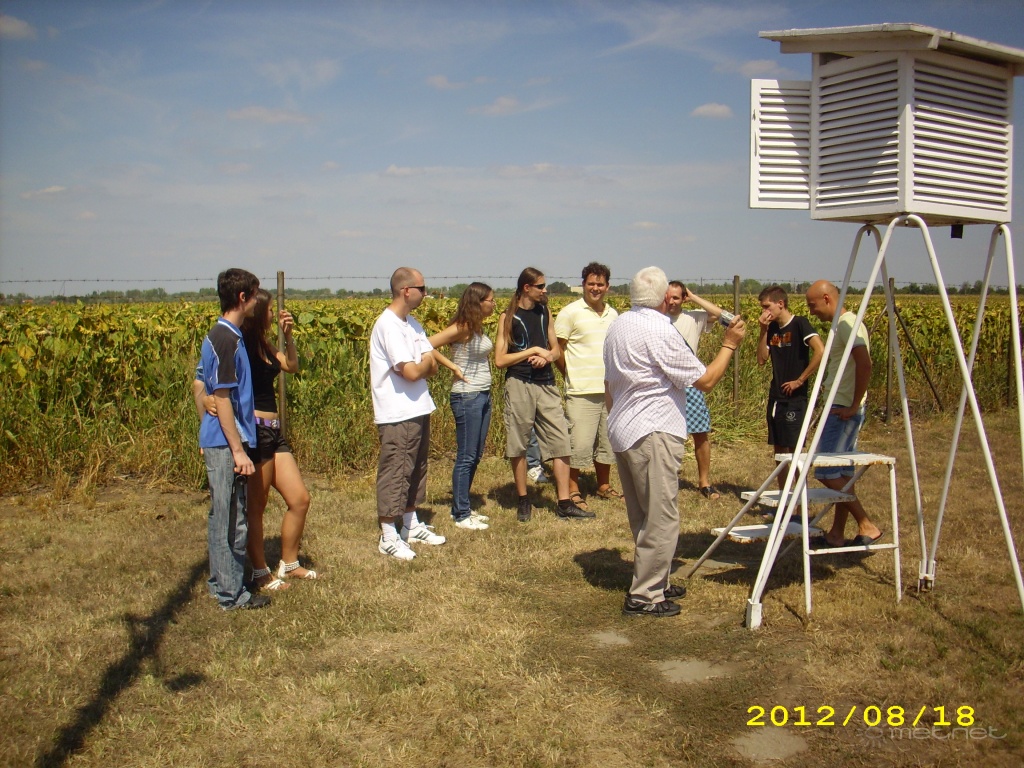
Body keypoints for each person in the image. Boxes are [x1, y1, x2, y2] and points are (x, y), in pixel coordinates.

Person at [604, 267, 745, 617]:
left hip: (624, 427)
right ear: (666, 296)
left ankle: (657, 578)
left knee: (643, 514)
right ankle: (645, 596)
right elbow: (705, 380)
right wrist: (729, 344)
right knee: (662, 517)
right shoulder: (660, 330)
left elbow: (608, 382)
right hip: (652, 430)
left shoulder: (619, 324)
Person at [196, 268, 270, 610]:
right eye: (254, 295)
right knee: (232, 519)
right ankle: (232, 594)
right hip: (227, 443)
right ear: (242, 298)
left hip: (219, 440)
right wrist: (238, 451)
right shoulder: (227, 339)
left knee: (222, 514)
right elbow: (222, 397)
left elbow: (202, 386)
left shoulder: (220, 335)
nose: (256, 302)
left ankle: (220, 582)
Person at [495, 267, 592, 522]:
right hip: (519, 385)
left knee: (561, 441)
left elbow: (556, 350)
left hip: (547, 385)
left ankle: (564, 503)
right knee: (518, 443)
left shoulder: (545, 311)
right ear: (526, 288)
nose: (544, 290)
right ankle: (523, 499)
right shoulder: (508, 317)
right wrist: (532, 352)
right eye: (540, 286)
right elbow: (500, 359)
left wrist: (547, 356)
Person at [239, 289, 316, 585]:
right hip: (255, 432)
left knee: (300, 499)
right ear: (258, 312)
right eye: (271, 310)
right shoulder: (241, 345)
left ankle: (290, 563)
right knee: (257, 507)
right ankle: (260, 571)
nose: (274, 314)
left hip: (274, 432)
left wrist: (288, 336)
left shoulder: (264, 343)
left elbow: (291, 366)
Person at [370, 267, 446, 560]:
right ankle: (388, 534)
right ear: (406, 291)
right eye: (422, 288)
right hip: (397, 411)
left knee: (416, 468)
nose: (426, 294)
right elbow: (413, 371)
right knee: (396, 470)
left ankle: (410, 524)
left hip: (418, 406)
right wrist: (423, 364)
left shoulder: (412, 323)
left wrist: (423, 364)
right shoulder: (388, 326)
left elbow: (431, 364)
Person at [804, 280, 883, 548]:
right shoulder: (843, 324)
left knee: (826, 472)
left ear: (827, 298)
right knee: (844, 475)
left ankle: (866, 523)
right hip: (841, 405)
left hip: (842, 409)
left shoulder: (848, 324)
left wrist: (853, 404)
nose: (811, 311)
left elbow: (865, 363)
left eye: (812, 305)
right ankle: (837, 533)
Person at [429, 282, 496, 531]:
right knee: (466, 456)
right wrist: (453, 367)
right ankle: (461, 514)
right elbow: (426, 343)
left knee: (475, 454)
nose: (494, 304)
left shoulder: (476, 327)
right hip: (467, 396)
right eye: (490, 300)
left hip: (482, 394)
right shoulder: (463, 327)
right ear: (478, 302)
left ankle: (463, 505)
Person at [554, 261, 620, 510]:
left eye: (600, 284)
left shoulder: (613, 314)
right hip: (581, 390)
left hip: (610, 390)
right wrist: (569, 373)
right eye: (591, 283)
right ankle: (573, 489)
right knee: (579, 443)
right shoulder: (570, 312)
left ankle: (603, 485)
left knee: (607, 441)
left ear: (607, 287)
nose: (595, 288)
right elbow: (557, 349)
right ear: (583, 285)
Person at [756, 285, 824, 490]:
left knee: (795, 451)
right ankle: (784, 497)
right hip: (776, 395)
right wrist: (763, 330)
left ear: (780, 303)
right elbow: (761, 359)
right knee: (779, 450)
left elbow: (820, 351)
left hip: (795, 398)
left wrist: (800, 380)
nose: (764, 312)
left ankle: (800, 498)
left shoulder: (800, 324)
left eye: (767, 306)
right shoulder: (772, 329)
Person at [664, 281, 728, 500]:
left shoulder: (694, 318)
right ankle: (667, 479)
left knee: (700, 433)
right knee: (666, 436)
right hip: (666, 386)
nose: (671, 302)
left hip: (691, 384)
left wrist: (694, 297)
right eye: (668, 297)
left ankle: (704, 482)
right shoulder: (657, 319)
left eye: (676, 297)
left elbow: (723, 316)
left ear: (683, 299)